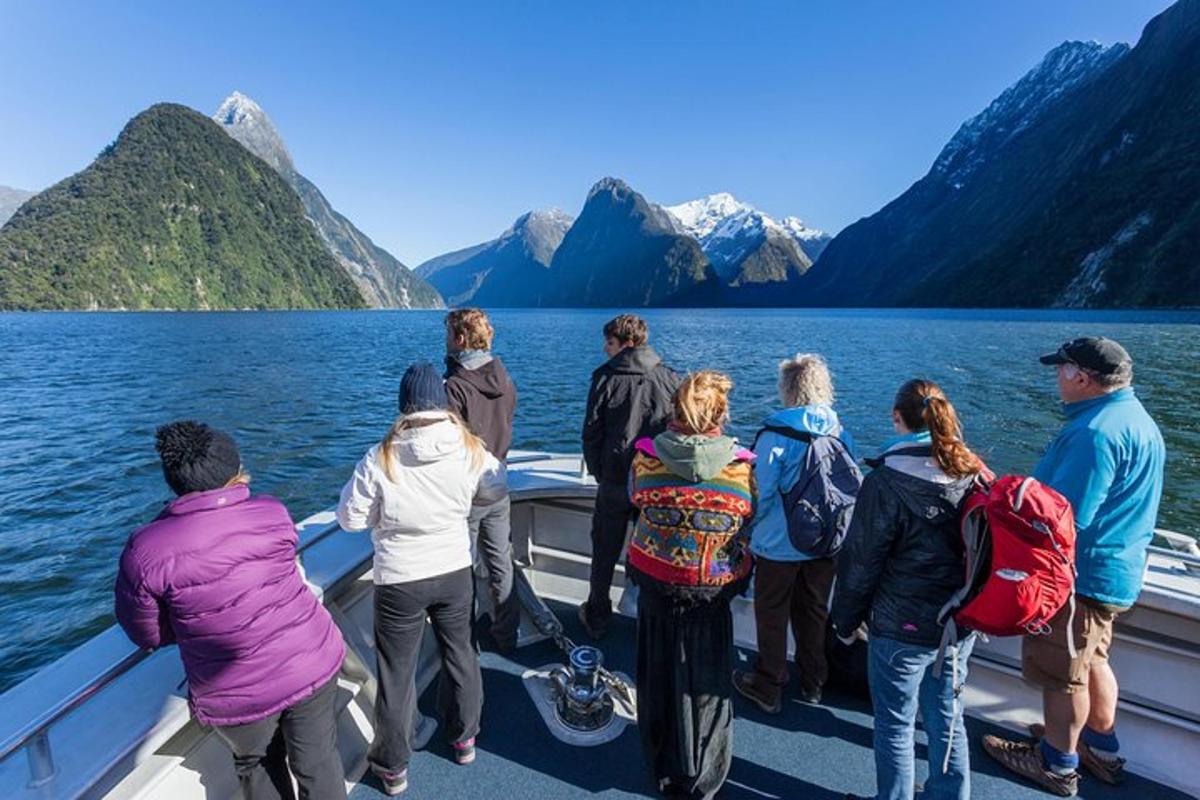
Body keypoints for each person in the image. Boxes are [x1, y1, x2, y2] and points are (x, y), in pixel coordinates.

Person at [115, 421, 347, 800]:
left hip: (235, 691)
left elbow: (147, 634)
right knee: (319, 762)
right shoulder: (271, 512)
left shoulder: (145, 550)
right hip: (310, 660)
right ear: (234, 470)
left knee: (257, 767)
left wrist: (195, 623)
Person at [983, 337, 1165, 797]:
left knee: (1064, 673)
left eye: (1060, 369)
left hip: (1078, 574)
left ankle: (1057, 763)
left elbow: (1064, 517)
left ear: (1081, 377)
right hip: (1116, 569)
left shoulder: (1094, 434)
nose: (1056, 376)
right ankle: (1100, 750)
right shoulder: (1137, 420)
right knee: (1093, 658)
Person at [337, 362, 506, 796]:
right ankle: (465, 739)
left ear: (404, 406)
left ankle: (393, 769)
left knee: (397, 674)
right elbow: (493, 487)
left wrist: (384, 519)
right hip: (452, 569)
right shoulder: (470, 448)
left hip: (399, 578)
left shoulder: (381, 456)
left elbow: (350, 519)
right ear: (442, 403)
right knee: (463, 655)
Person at [832, 379, 985, 800]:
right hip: (957, 622)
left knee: (896, 723)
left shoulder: (886, 482)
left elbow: (859, 563)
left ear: (897, 418)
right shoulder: (972, 473)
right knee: (948, 716)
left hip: (900, 625)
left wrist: (845, 622)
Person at [626, 370, 756, 800]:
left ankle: (661, 762)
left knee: (657, 674)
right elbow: (750, 517)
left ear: (676, 409)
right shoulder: (741, 466)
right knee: (709, 684)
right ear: (720, 413)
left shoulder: (645, 457)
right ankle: (705, 774)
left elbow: (635, 500)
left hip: (656, 582)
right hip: (712, 590)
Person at [733, 353, 854, 712]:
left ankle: (769, 684)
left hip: (778, 546)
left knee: (772, 613)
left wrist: (745, 532)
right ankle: (814, 681)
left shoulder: (776, 434)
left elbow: (761, 493)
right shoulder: (839, 431)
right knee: (814, 611)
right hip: (824, 545)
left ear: (787, 388)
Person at [579, 313, 681, 639]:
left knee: (604, 550)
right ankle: (643, 616)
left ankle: (597, 615)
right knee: (650, 552)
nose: (605, 350)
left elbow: (591, 433)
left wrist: (599, 471)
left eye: (610, 343)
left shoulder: (605, 379)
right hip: (654, 481)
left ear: (628, 343)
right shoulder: (670, 378)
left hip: (614, 479)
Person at [444, 308, 520, 652]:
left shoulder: (455, 387)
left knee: (462, 566)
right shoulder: (505, 381)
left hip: (467, 491)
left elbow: (448, 444)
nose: (445, 340)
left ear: (460, 339)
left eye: (448, 334)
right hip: (498, 483)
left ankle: (467, 641)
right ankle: (507, 633)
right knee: (500, 561)